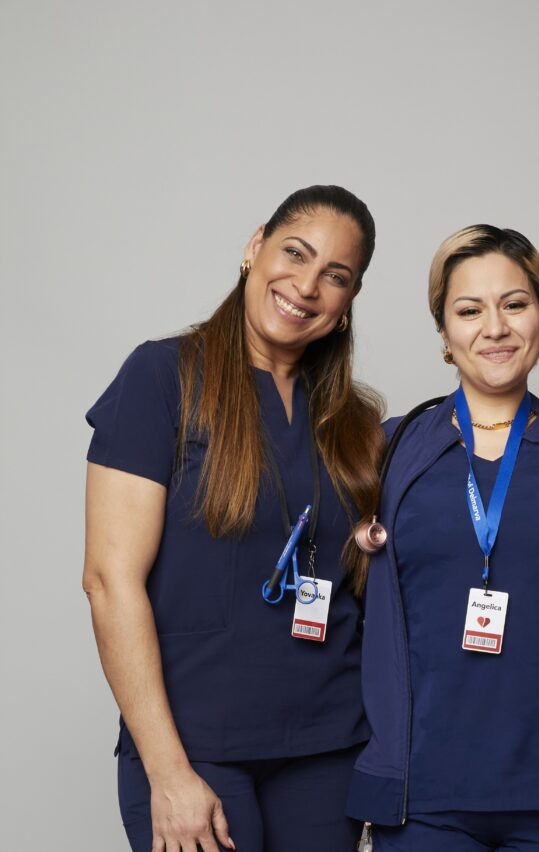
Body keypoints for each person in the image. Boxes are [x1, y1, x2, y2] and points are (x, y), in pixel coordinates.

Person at [82, 185, 384, 851]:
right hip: (196, 749)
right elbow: (109, 580)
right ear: (255, 248)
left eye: (336, 276)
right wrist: (167, 771)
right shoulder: (162, 377)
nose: (306, 285)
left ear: (346, 304)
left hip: (327, 748)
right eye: (295, 254)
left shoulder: (355, 422)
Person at [346, 225, 539, 851]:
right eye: (469, 310)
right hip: (423, 801)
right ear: (444, 332)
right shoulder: (387, 452)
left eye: (515, 304)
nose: (494, 328)